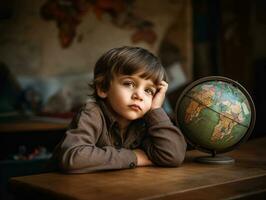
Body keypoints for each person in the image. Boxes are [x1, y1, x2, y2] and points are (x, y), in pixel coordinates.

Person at [53, 46, 187, 173]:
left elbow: (173, 156)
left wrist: (155, 110)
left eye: (148, 91)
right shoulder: (92, 113)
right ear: (103, 88)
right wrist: (134, 157)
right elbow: (74, 158)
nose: (139, 95)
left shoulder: (147, 121)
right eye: (129, 84)